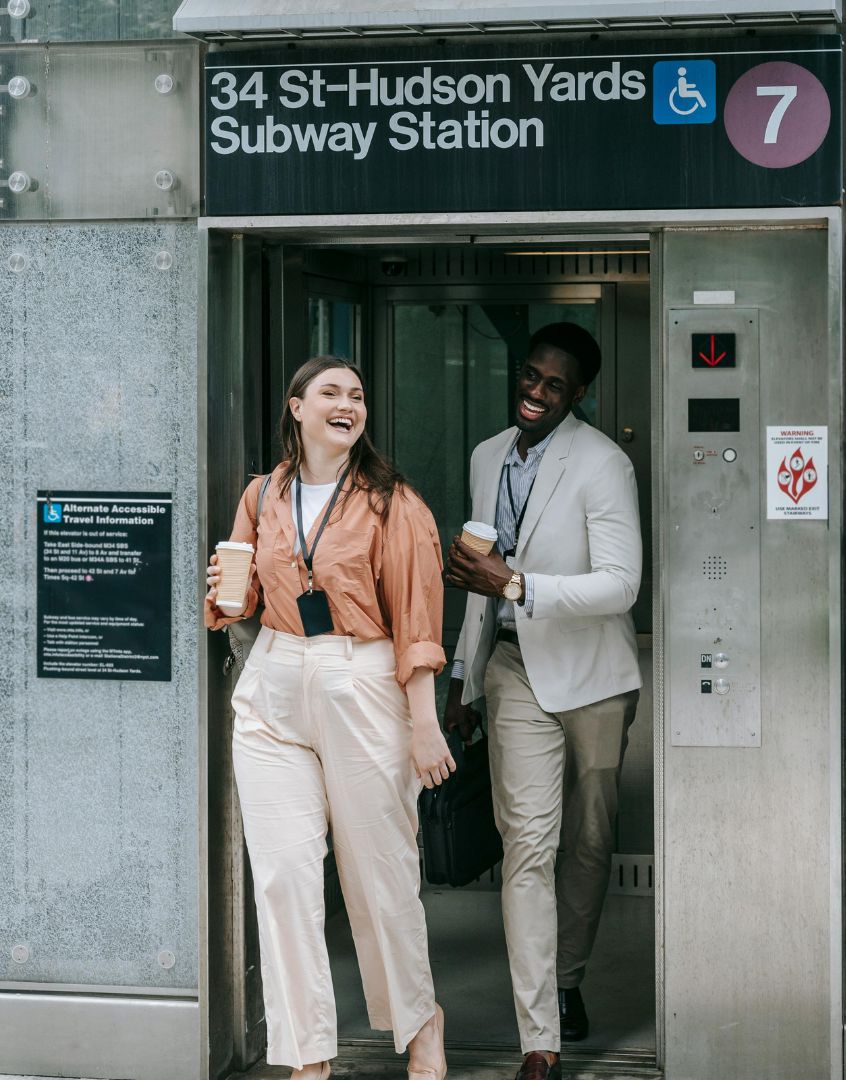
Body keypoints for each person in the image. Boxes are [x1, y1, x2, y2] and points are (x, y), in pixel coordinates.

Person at [204, 355, 454, 1080]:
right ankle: (306, 1055)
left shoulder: (394, 502)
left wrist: (424, 720)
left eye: (357, 396)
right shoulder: (265, 493)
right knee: (282, 878)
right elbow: (241, 597)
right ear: (297, 408)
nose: (348, 405)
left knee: (380, 875)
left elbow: (415, 615)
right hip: (276, 676)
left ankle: (421, 1024)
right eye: (331, 394)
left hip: (363, 677)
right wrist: (227, 594)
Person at [444, 324, 642, 1080]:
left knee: (589, 842)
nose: (534, 392)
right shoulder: (487, 455)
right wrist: (463, 679)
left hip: (593, 677)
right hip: (513, 670)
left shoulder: (603, 464)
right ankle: (541, 1038)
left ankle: (568, 975)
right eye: (530, 376)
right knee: (528, 848)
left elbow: (623, 584)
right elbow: (476, 573)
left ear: (578, 393)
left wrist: (519, 585)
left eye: (553, 385)